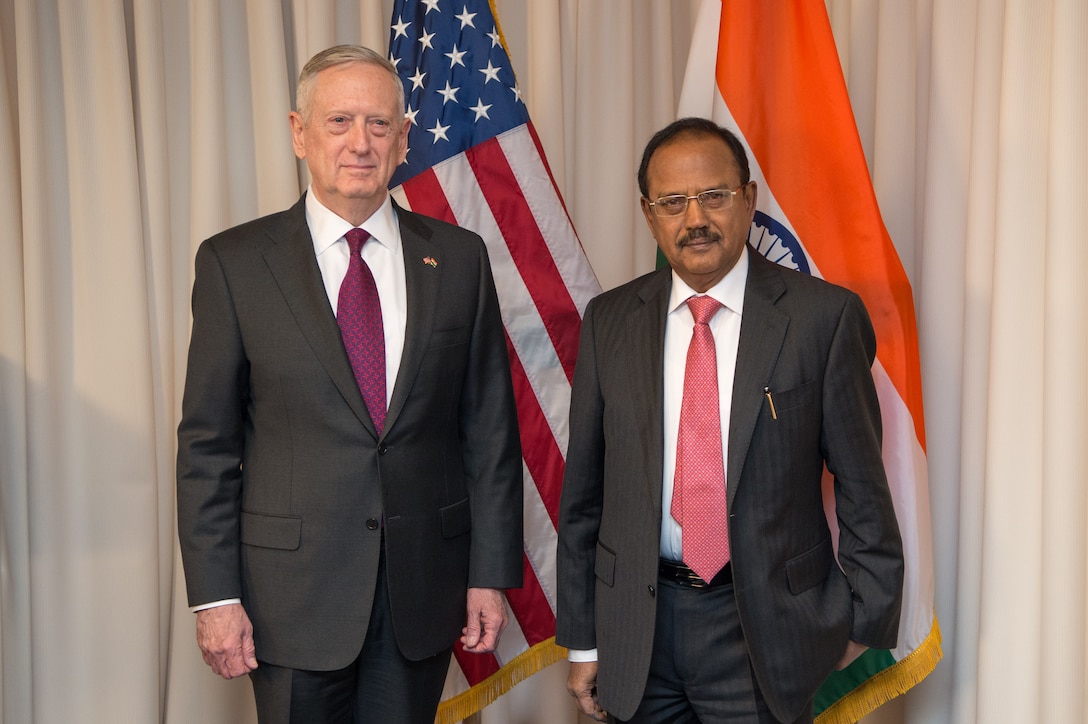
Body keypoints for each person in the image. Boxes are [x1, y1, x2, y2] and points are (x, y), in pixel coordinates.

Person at [176, 45, 523, 724]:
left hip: (422, 593)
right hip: (288, 602)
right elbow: (208, 448)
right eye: (338, 122)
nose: (360, 143)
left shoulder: (458, 259)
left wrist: (489, 572)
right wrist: (215, 598)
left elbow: (489, 433)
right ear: (299, 132)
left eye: (379, 124)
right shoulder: (235, 264)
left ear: (403, 141)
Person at [556, 117, 904, 724]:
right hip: (638, 630)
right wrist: (584, 640)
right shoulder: (609, 322)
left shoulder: (822, 319)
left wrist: (859, 622)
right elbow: (584, 496)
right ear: (648, 214)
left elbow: (863, 490)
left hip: (766, 632)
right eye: (673, 202)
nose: (695, 219)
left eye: (713, 196)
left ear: (748, 200)